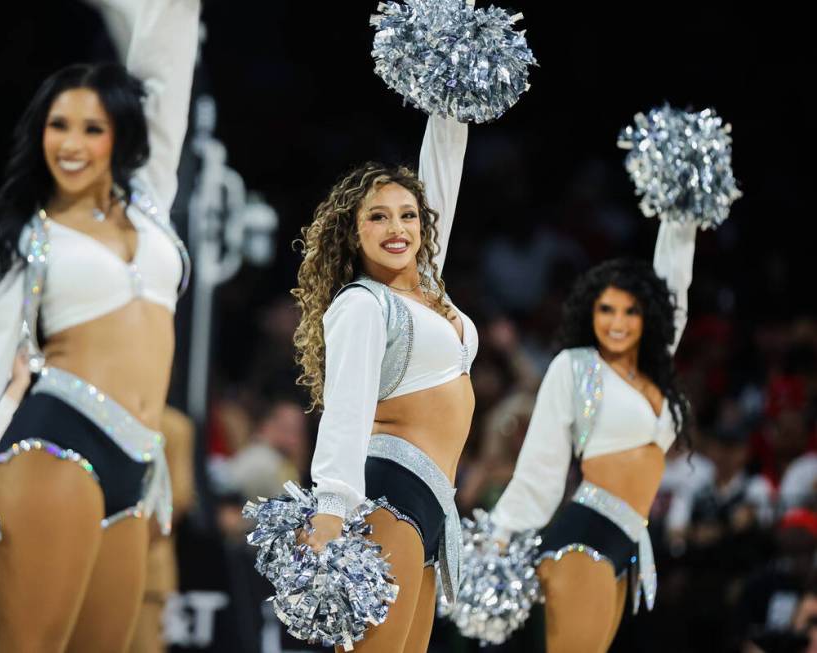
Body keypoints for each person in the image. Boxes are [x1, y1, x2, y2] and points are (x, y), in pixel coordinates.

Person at [0, 1, 200, 650]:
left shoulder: (149, 201)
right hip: (53, 449)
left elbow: (168, 58)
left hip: (138, 459)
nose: (71, 144)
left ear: (122, 136)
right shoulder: (21, 236)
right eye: (58, 126)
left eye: (92, 129)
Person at [292, 112, 472, 652]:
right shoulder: (363, 303)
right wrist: (332, 506)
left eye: (408, 216)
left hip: (434, 501)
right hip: (390, 494)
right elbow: (345, 407)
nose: (397, 229)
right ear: (354, 230)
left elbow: (443, 175)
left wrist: (449, 110)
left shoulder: (430, 290)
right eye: (378, 217)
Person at [489, 220, 700, 652]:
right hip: (583, 540)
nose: (617, 322)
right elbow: (541, 462)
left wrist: (682, 220)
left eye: (630, 310)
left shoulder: (653, 371)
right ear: (590, 311)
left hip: (625, 541)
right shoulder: (575, 366)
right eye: (606, 309)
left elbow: (676, 282)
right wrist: (500, 536)